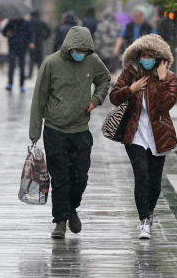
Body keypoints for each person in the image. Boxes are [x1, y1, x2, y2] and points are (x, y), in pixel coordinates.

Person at [28, 26, 111, 239]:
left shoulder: (92, 61)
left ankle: (72, 207)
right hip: (55, 130)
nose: (80, 53)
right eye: (77, 49)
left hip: (81, 130)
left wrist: (95, 100)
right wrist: (34, 133)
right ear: (68, 46)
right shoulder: (51, 64)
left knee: (80, 177)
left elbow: (104, 79)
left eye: (84, 49)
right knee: (61, 178)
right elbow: (39, 98)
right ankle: (60, 221)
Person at [109, 34, 177, 240]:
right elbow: (114, 97)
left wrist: (163, 80)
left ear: (159, 58)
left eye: (151, 55)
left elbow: (166, 105)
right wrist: (131, 89)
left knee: (155, 182)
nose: (146, 58)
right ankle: (144, 222)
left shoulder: (170, 77)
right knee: (141, 176)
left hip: (160, 135)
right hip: (135, 133)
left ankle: (150, 212)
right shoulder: (130, 74)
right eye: (143, 55)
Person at [2, 16, 34, 92]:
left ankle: (21, 85)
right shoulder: (11, 22)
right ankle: (10, 83)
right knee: (12, 66)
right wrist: (7, 34)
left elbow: (31, 34)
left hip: (22, 47)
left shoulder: (26, 23)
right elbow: (3, 32)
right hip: (13, 47)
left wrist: (31, 42)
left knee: (22, 67)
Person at [28, 10, 51, 78]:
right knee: (39, 59)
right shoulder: (41, 22)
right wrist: (44, 37)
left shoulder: (29, 22)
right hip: (39, 42)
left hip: (31, 43)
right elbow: (49, 30)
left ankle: (30, 74)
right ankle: (41, 74)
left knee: (31, 59)